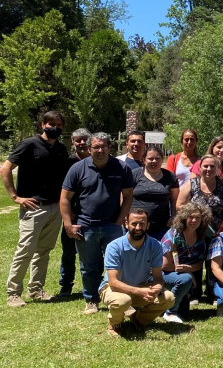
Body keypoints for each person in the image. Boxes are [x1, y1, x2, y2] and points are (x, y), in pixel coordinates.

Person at [61, 132, 134, 315]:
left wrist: (119, 220)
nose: (100, 150)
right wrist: (68, 224)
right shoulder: (78, 169)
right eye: (96, 147)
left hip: (112, 226)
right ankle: (91, 299)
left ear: (110, 147)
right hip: (86, 225)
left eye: (103, 146)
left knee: (117, 264)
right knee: (89, 266)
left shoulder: (121, 168)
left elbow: (128, 196)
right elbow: (64, 198)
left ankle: (120, 298)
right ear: (89, 148)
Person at [4, 110, 70, 307]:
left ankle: (36, 289)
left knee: (44, 250)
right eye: (51, 124)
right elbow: (6, 168)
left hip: (54, 207)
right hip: (34, 207)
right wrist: (15, 197)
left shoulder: (60, 148)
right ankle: (13, 293)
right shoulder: (29, 144)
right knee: (25, 250)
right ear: (43, 125)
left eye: (59, 125)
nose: (55, 128)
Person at [98, 209, 176, 337]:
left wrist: (156, 289)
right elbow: (113, 282)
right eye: (134, 224)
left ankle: (138, 320)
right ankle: (115, 324)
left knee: (168, 298)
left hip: (140, 286)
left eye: (142, 224)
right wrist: (140, 291)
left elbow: (157, 277)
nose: (138, 228)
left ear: (148, 225)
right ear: (126, 224)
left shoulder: (155, 245)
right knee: (122, 301)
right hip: (113, 288)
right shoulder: (114, 247)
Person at [160, 202, 214, 323]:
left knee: (184, 314)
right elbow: (165, 265)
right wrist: (188, 273)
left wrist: (187, 269)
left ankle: (165, 305)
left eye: (198, 217)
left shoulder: (201, 237)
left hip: (182, 274)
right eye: (190, 216)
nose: (194, 220)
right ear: (184, 218)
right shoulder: (173, 235)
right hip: (163, 274)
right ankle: (170, 312)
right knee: (185, 279)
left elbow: (200, 263)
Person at [57, 128, 91, 297]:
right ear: (73, 143)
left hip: (91, 215)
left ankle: (96, 282)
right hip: (71, 213)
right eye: (78, 140)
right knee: (69, 252)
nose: (82, 143)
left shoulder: (97, 161)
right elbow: (63, 193)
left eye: (85, 139)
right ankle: (66, 285)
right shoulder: (67, 163)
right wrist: (68, 216)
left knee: (94, 253)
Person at [130, 145, 179, 240]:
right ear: (144, 160)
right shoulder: (135, 174)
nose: (154, 161)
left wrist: (173, 217)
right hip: (137, 225)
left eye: (157, 158)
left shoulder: (170, 176)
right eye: (150, 159)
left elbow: (175, 199)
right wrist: (125, 216)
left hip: (162, 227)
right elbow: (125, 197)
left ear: (162, 160)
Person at [177, 154, 223, 228]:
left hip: (218, 232)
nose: (209, 169)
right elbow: (179, 206)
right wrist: (196, 212)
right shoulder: (190, 184)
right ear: (200, 168)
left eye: (212, 166)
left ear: (218, 169)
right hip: (194, 230)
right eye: (205, 166)